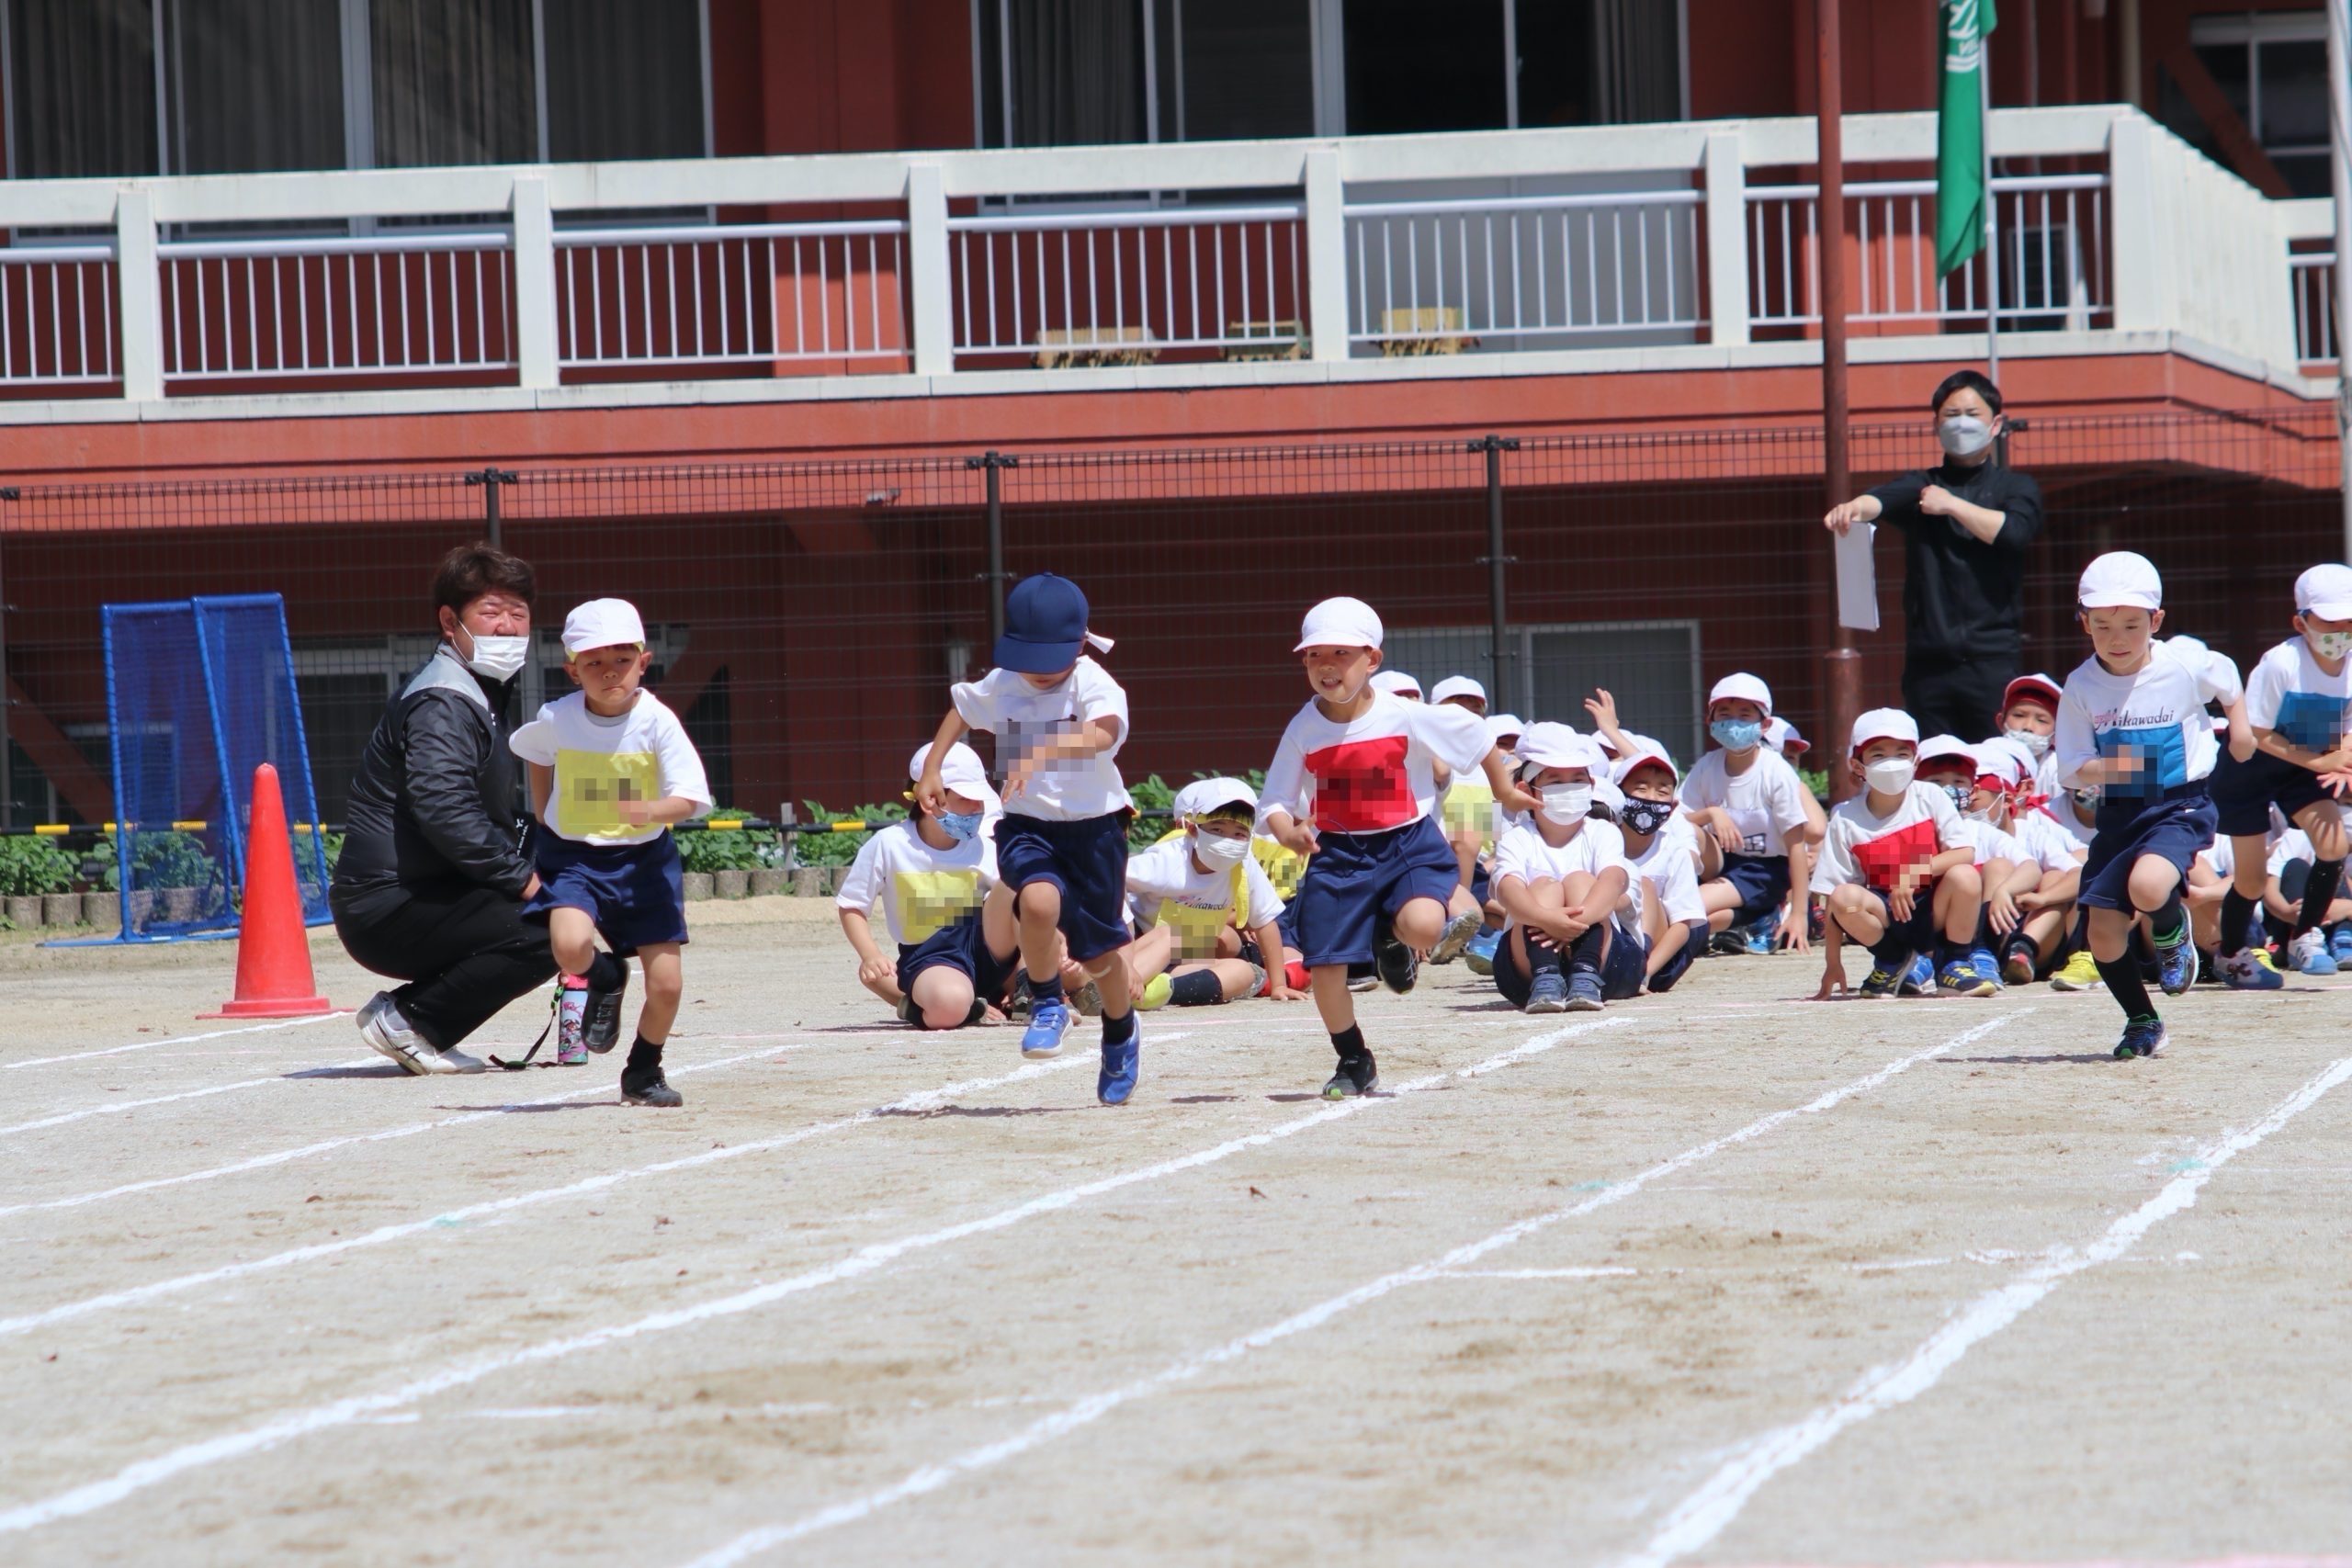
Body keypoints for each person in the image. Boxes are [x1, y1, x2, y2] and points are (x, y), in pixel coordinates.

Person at [1261, 596, 1536, 1099]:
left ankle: (1393, 936)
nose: (1327, 666)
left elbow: (1475, 737)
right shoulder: (1303, 727)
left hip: (1408, 843)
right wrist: (1287, 831)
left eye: (1341, 654)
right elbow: (1274, 801)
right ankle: (1353, 1058)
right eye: (1314, 655)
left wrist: (1503, 790)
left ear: (1372, 660)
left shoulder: (1403, 715)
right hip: (1338, 855)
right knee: (1324, 968)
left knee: (1425, 925)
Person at [917, 572, 1143, 1105]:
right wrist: (932, 767)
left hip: (1095, 833)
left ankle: (1120, 1032)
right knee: (1037, 902)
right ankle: (1045, 1003)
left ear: (1080, 643)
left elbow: (1105, 733)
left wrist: (1038, 752)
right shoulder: (1003, 681)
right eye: (1029, 660)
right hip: (1028, 826)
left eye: (1051, 661)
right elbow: (961, 711)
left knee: (1100, 955)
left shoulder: (1093, 682)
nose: (1039, 673)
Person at [333, 543, 555, 1076]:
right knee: (551, 927)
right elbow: (445, 811)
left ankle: (415, 1019)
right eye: (491, 612)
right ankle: (412, 1021)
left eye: (518, 614)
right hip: (390, 906)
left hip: (424, 893)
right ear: (450, 620)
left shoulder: (476, 688)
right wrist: (525, 882)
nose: (507, 628)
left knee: (557, 910)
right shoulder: (443, 702)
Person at [507, 598, 709, 1107]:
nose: (609, 672)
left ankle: (643, 1071)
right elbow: (533, 751)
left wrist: (651, 810)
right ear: (572, 670)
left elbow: (692, 798)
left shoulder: (658, 721)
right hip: (574, 856)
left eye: (621, 659)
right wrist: (542, 810)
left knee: (666, 984)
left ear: (643, 661)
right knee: (570, 946)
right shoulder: (558, 716)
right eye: (593, 663)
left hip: (644, 862)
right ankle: (605, 974)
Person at [2056, 551, 2224, 1060]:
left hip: (2180, 805)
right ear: (2083, 623)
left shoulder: (2185, 663)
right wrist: (2131, 768)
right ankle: (2142, 1020)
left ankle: (2172, 934)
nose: (2117, 637)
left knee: (2149, 886)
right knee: (2102, 933)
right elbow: (2073, 768)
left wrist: (2237, 725)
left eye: (2131, 625)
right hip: (2120, 812)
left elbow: (2231, 683)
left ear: (2156, 621)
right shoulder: (2081, 685)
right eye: (2102, 625)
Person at [1822, 369, 2046, 740]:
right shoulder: (1921, 485)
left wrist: (1951, 506)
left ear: (1995, 424)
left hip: (1992, 660)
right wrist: (1852, 508)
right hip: (1928, 664)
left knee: (1992, 763)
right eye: (1950, 415)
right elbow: (1880, 499)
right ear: (1936, 425)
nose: (1961, 424)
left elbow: (2013, 532)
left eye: (1972, 415)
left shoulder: (2016, 487)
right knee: (1934, 765)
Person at [2207, 564, 2352, 988]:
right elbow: (2254, 733)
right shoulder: (2281, 662)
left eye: (2349, 621)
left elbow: (2347, 721)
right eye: (2329, 621)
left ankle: (2305, 934)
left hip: (2303, 766)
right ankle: (2231, 954)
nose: (2341, 631)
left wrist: (2343, 750)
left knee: (2334, 844)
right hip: (2250, 769)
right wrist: (2320, 762)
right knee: (2250, 879)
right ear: (2300, 622)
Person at [837, 740, 1019, 1030]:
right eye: (966, 799)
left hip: (987, 950)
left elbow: (1016, 910)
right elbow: (851, 904)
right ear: (930, 800)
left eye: (980, 799)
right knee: (949, 1007)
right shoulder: (889, 844)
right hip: (933, 958)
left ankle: (1030, 991)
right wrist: (870, 955)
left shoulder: (986, 848)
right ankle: (943, 1005)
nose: (977, 809)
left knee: (1020, 879)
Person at [1810, 709, 1981, 1000]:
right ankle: (1892, 961)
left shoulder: (1930, 796)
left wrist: (1912, 874)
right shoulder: (1846, 818)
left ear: (1915, 761)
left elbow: (1964, 852)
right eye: (1878, 755)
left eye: (1901, 753)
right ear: (1857, 765)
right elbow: (1831, 895)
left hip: (1933, 909)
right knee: (1843, 897)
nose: (1891, 763)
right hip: (1887, 916)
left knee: (1965, 876)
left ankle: (1954, 963)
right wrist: (1832, 963)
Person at [1488, 725, 1635, 1012]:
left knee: (1581, 881)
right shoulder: (1515, 837)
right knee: (1543, 886)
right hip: (1526, 970)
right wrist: (1545, 918)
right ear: (1526, 790)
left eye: (1577, 778)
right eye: (1555, 780)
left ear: (1591, 785)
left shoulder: (1603, 832)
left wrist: (1573, 924)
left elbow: (1614, 879)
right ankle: (1546, 977)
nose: (1568, 786)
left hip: (1602, 963)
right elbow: (1507, 889)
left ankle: (1584, 973)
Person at [1123, 777, 1305, 1006]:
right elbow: (1112, 880)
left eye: (1239, 833)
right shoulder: (1168, 860)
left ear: (1250, 837)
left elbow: (1265, 921)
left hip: (1183, 955)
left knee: (1244, 972)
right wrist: (1124, 942)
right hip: (1143, 946)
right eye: (1217, 829)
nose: (1228, 840)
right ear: (1193, 830)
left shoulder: (1244, 863)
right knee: (1172, 936)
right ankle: (1117, 987)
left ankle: (1153, 992)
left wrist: (1278, 985)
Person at [1682, 673, 1815, 954]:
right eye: (1725, 713)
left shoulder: (1775, 771)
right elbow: (1675, 822)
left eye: (1745, 715)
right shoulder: (1706, 766)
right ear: (1710, 720)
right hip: (1719, 862)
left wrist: (1800, 913)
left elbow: (1796, 844)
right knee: (1689, 902)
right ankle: (1760, 918)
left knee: (1689, 910)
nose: (1734, 722)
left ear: (1764, 724)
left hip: (1764, 870)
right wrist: (1712, 813)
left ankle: (1767, 913)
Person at [1611, 744, 1708, 993]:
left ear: (1673, 807)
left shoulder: (1675, 852)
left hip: (1658, 957)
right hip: (1610, 943)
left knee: (1644, 885)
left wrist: (1645, 972)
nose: (1650, 799)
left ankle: (1636, 969)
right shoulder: (1601, 840)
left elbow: (1682, 924)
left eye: (1661, 792)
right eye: (1640, 788)